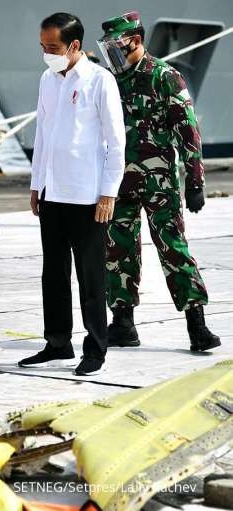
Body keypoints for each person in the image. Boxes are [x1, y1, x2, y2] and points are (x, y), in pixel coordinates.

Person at [98, 12, 220, 351]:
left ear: (135, 41)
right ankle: (122, 321)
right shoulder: (109, 80)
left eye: (116, 46)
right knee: (118, 250)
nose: (112, 53)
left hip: (159, 183)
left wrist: (195, 181)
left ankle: (197, 323)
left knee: (174, 249)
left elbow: (188, 132)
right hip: (118, 182)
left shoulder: (164, 77)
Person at [18, 12, 126, 376]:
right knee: (54, 272)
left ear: (74, 46)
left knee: (91, 276)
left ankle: (95, 348)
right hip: (53, 192)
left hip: (88, 196)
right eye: (43, 46)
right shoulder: (48, 80)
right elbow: (44, 137)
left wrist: (108, 193)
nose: (46, 53)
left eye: (53, 47)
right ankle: (57, 342)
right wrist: (37, 185)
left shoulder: (100, 81)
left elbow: (116, 141)